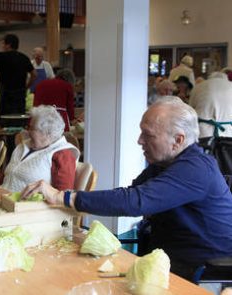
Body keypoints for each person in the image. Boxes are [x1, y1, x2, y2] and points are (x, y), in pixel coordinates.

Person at [21, 96, 232, 281]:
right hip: (168, 260)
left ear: (178, 140)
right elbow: (128, 196)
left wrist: (63, 197)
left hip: (201, 270)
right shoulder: (164, 165)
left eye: (148, 135)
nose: (139, 141)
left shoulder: (196, 169)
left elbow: (134, 201)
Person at [1, 105, 80, 192]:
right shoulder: (24, 146)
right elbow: (7, 176)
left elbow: (62, 196)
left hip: (27, 204)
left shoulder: (63, 155)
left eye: (32, 128)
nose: (28, 132)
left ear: (47, 133)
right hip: (1, 198)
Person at [189, 71, 232, 138]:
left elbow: (190, 109)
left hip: (203, 132)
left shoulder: (198, 87)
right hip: (228, 132)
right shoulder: (230, 85)